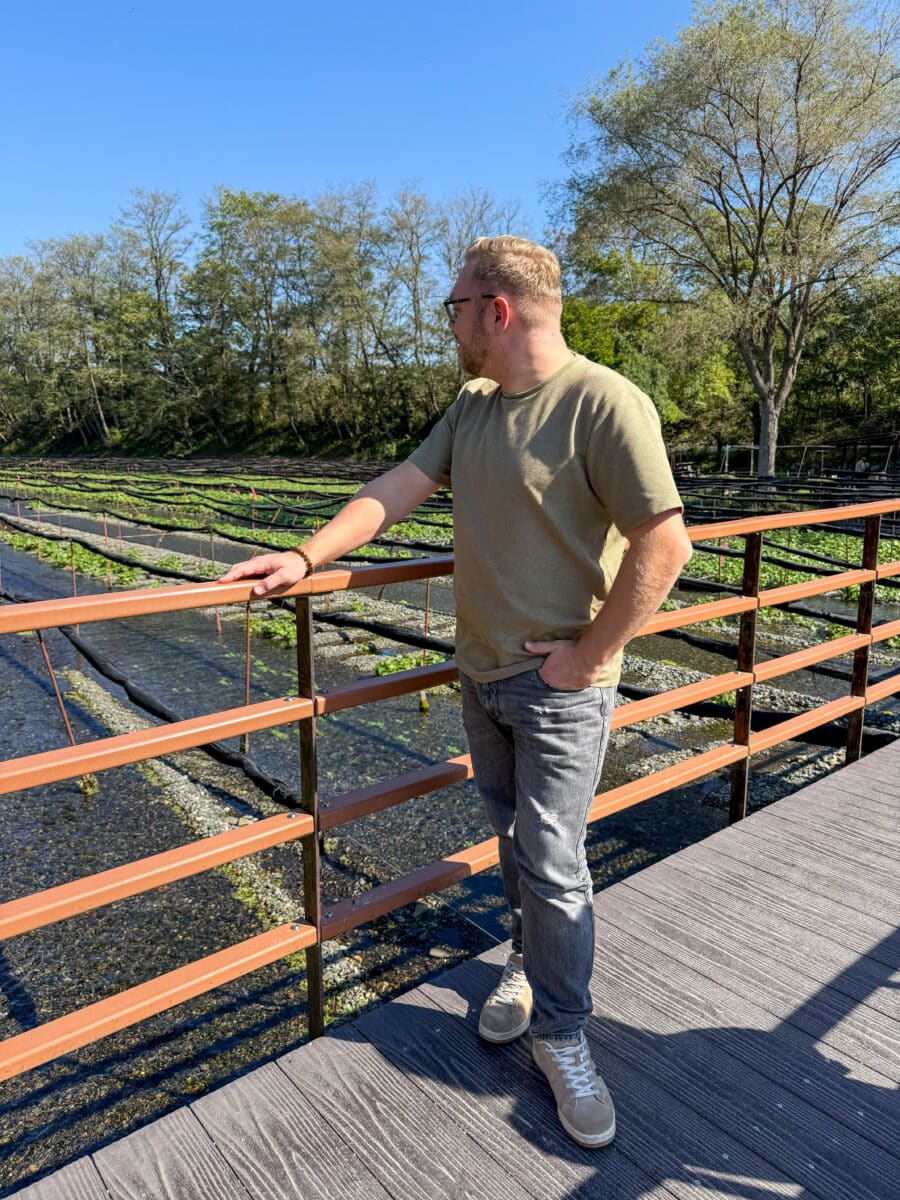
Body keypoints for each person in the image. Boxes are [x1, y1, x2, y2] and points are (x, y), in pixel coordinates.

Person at [220, 236, 692, 1148]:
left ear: (496, 310)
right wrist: (309, 554)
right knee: (514, 843)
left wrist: (589, 657)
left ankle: (565, 1035)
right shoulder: (474, 405)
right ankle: (523, 964)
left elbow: (665, 544)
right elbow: (400, 486)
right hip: (480, 677)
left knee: (554, 862)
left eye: (454, 308)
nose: (452, 324)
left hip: (558, 687)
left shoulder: (604, 402)